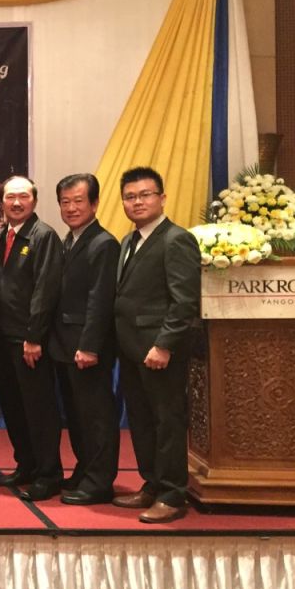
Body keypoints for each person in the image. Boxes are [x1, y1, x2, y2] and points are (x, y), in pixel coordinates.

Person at [112, 167, 200, 523]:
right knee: (142, 421)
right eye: (130, 197)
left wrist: (164, 344)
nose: (137, 202)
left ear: (162, 198)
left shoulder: (176, 239)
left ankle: (172, 494)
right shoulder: (129, 240)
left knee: (168, 422)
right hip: (131, 348)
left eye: (145, 195)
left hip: (159, 351)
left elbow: (185, 301)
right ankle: (151, 484)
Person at [50, 174, 121, 506]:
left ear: (94, 203)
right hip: (65, 345)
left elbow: (100, 299)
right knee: (77, 416)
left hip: (86, 347)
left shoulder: (103, 243)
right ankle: (85, 469)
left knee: (96, 417)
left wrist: (89, 346)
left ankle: (100, 482)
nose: (71, 208)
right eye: (65, 202)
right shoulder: (70, 239)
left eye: (78, 201)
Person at [0, 175, 64, 501]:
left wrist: (34, 337)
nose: (16, 202)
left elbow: (45, 290)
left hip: (28, 341)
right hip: (2, 339)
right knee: (14, 406)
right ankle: (27, 465)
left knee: (39, 410)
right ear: (2, 202)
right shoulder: (1, 236)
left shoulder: (43, 236)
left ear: (34, 200)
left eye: (23, 196)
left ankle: (48, 475)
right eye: (10, 197)